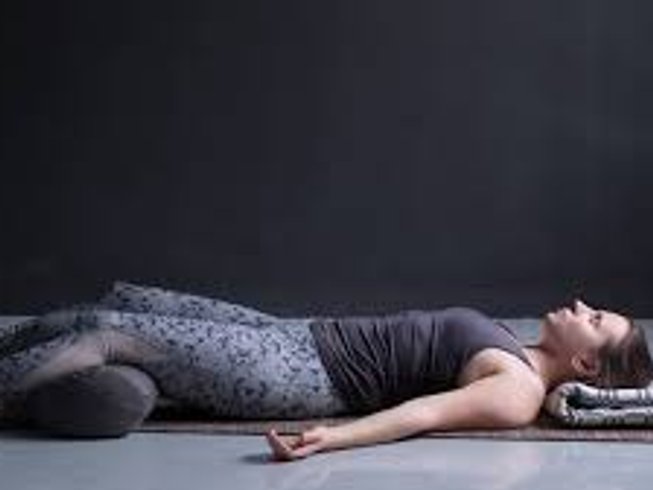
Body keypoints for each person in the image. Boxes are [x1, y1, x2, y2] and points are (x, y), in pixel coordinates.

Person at [1, 281, 651, 461]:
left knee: (111, 334)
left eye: (595, 319)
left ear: (585, 362)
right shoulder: (518, 351)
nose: (582, 306)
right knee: (133, 303)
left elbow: (421, 415)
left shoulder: (517, 390)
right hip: (300, 335)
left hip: (297, 372)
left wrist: (329, 438)